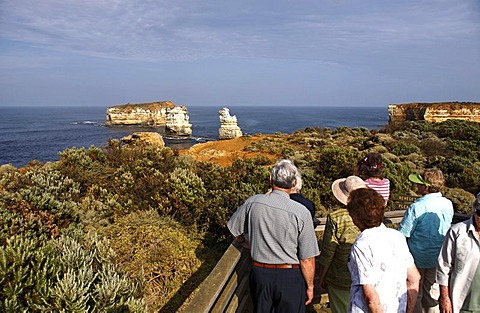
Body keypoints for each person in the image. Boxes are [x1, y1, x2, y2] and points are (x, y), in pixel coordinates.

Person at [227, 159, 320, 312]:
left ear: (271, 179)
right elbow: (307, 258)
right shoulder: (301, 212)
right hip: (290, 276)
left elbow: (234, 230)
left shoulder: (253, 202)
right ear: (294, 182)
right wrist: (310, 286)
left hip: (260, 274)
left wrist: (246, 242)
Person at [347, 188, 421, 313]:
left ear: (355, 216)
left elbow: (371, 296)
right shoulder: (396, 236)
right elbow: (414, 278)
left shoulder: (362, 245)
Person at [398, 168, 454, 313]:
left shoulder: (416, 207)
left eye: (419, 184)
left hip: (416, 258)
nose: (416, 187)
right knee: (432, 293)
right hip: (438, 257)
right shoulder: (448, 204)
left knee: (414, 293)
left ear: (426, 187)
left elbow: (403, 234)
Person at [317, 176, 367, 313]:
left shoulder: (336, 217)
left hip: (339, 278)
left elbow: (328, 251)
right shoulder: (370, 215)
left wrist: (321, 277)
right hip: (365, 276)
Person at [436, 192, 480, 313]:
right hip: (461, 304)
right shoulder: (457, 231)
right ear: (474, 210)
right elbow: (444, 266)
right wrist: (444, 297)